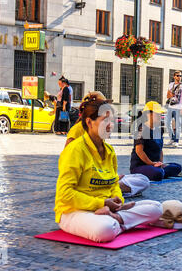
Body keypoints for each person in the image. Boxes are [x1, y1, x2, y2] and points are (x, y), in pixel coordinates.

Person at [54, 95, 163, 243]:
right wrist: (102, 204)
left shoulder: (109, 151)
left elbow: (113, 184)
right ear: (89, 122)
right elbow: (64, 194)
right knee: (104, 229)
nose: (110, 125)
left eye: (111, 121)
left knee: (156, 207)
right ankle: (121, 222)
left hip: (107, 209)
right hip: (75, 211)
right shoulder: (75, 150)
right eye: (105, 120)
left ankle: (117, 219)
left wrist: (117, 201)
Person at [65, 91, 150, 198]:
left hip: (103, 178)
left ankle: (110, 190)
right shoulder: (77, 133)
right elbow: (69, 159)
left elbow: (106, 166)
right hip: (90, 180)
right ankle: (105, 191)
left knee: (143, 179)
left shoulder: (106, 146)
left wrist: (112, 178)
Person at [130, 101, 182, 181]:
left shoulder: (159, 130)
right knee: (158, 173)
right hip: (141, 166)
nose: (160, 116)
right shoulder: (141, 130)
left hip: (155, 165)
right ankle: (158, 172)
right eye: (158, 114)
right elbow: (139, 151)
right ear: (149, 114)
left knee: (177, 167)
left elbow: (160, 150)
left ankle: (160, 171)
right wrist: (152, 164)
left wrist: (160, 164)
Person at [166, 71, 182, 147]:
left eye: (180, 76)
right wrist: (171, 94)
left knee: (178, 125)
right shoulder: (171, 85)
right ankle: (172, 138)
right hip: (170, 107)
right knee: (167, 123)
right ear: (174, 76)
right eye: (177, 76)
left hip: (179, 108)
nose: (179, 77)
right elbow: (167, 96)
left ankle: (176, 140)